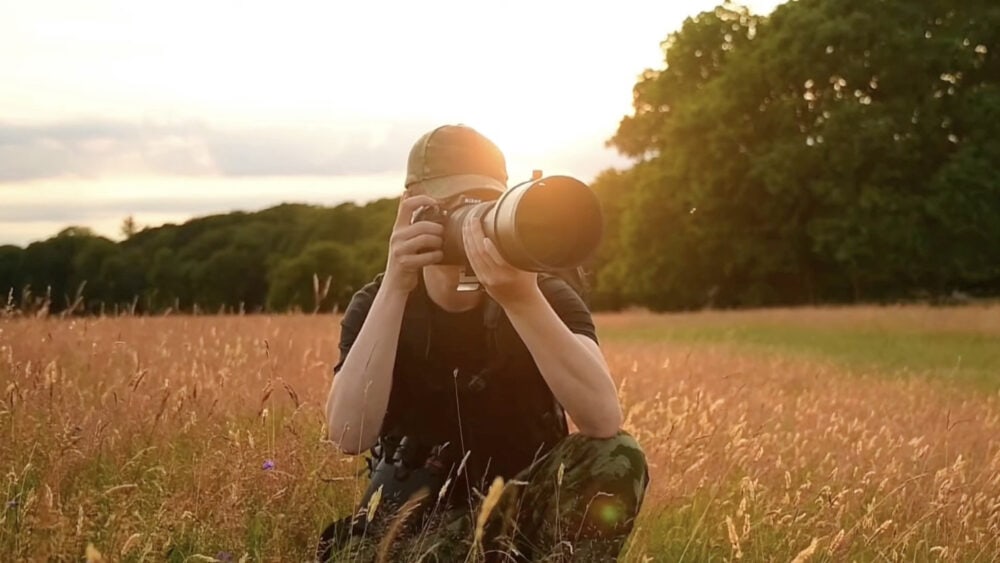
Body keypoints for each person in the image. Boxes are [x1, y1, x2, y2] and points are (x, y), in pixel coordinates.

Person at [320, 124, 648, 562]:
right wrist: (396, 286)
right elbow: (347, 434)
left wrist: (521, 298)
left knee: (619, 455)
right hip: (412, 525)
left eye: (486, 207)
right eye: (455, 206)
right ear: (411, 208)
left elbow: (604, 420)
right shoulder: (381, 303)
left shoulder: (543, 294)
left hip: (517, 518)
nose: (472, 223)